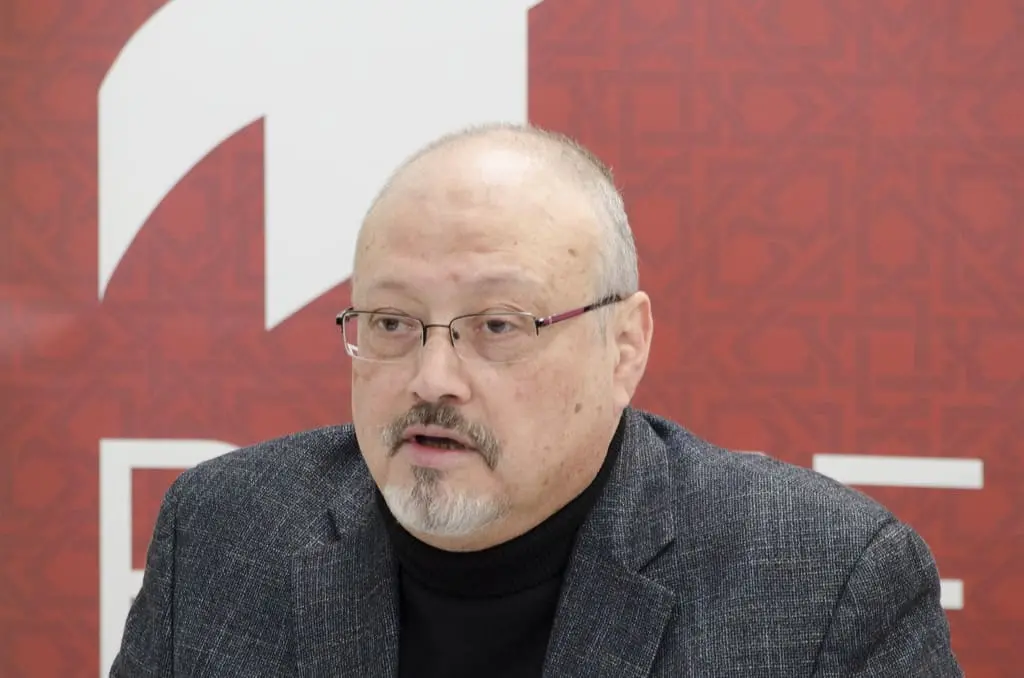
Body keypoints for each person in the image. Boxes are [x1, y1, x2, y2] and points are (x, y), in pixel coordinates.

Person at [111, 123, 963, 677]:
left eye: (496, 324)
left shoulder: (825, 586)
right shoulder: (223, 532)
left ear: (624, 347)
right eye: (394, 322)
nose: (432, 378)